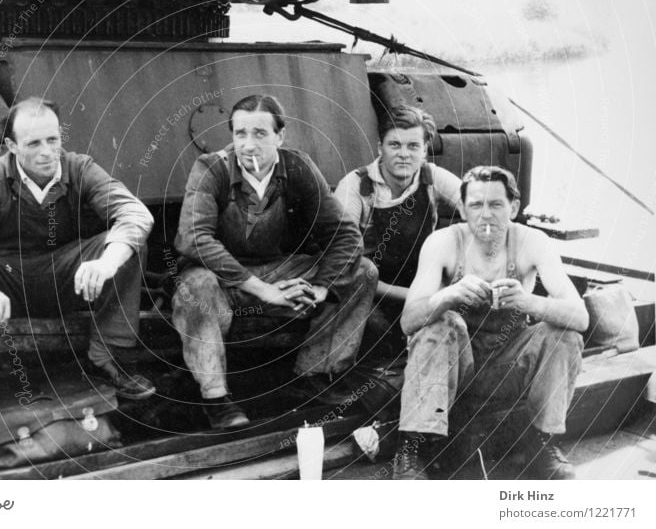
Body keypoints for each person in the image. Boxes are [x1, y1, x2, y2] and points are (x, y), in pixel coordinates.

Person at [0, 97, 156, 420]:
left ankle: (109, 359)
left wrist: (106, 262)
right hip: (6, 278)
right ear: (11, 145)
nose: (47, 152)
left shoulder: (79, 168)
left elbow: (135, 214)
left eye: (53, 140)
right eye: (33, 143)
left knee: (127, 244)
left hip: (65, 275)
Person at [172, 94, 377, 429]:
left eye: (260, 134)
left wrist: (323, 287)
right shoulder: (211, 167)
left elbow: (344, 235)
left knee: (364, 272)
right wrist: (265, 290)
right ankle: (216, 399)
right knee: (195, 285)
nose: (248, 145)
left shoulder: (298, 167)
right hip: (223, 280)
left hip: (279, 270)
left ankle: (314, 375)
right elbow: (194, 238)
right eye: (240, 134)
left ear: (280, 137)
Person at [392, 165, 588, 480]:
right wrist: (450, 295)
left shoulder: (532, 242)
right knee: (439, 325)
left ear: (513, 207)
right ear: (462, 207)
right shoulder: (443, 242)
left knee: (563, 334)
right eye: (475, 205)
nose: (485, 215)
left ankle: (542, 443)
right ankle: (411, 450)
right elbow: (408, 322)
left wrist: (529, 301)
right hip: (458, 367)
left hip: (508, 366)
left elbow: (580, 317)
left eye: (496, 205)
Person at [335, 104, 460, 362]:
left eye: (413, 146)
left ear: (425, 150)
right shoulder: (356, 187)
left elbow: (478, 205)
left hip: (422, 285)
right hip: (370, 294)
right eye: (395, 145)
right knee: (379, 337)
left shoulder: (431, 177)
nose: (404, 154)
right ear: (380, 147)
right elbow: (345, 266)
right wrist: (414, 297)